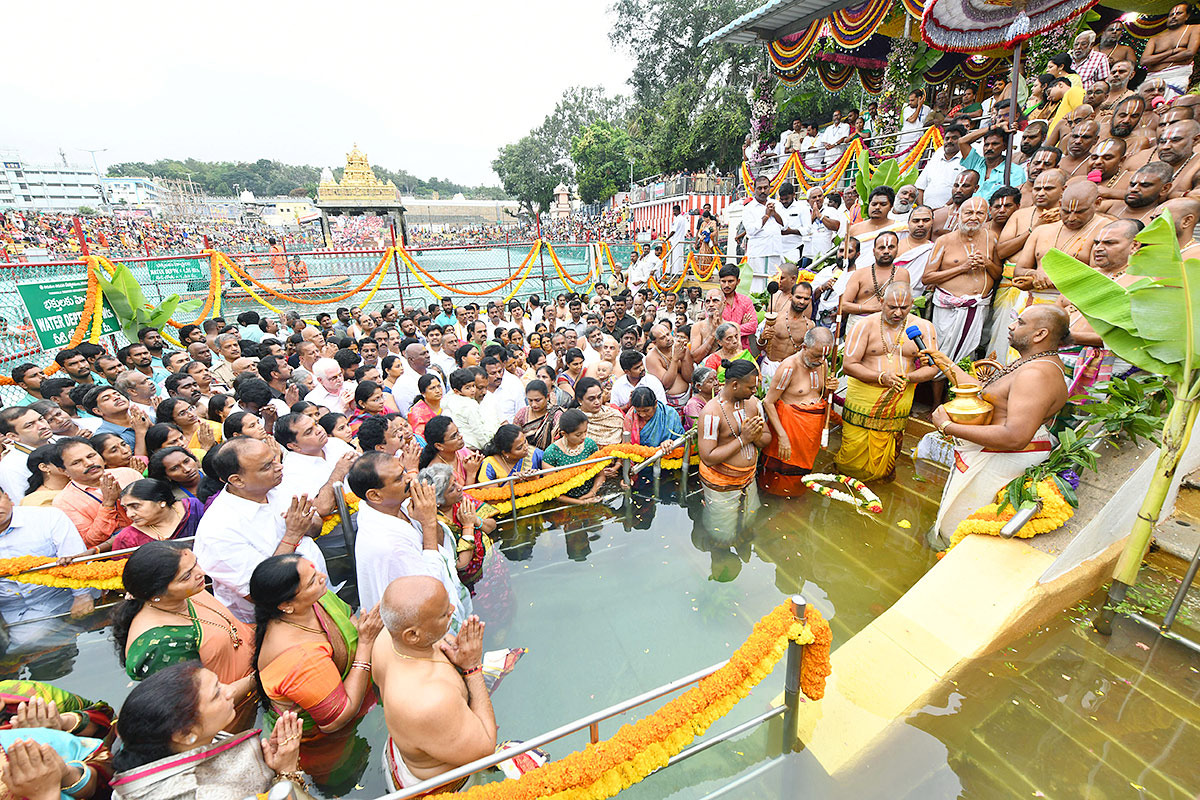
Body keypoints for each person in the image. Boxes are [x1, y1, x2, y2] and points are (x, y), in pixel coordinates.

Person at [926, 306, 1071, 540]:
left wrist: (947, 427)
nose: (1011, 326)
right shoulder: (1033, 363)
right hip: (994, 455)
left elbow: (1015, 436)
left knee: (961, 531)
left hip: (1002, 460)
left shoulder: (1036, 374)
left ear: (1040, 334)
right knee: (954, 524)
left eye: (1020, 322)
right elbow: (986, 393)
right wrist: (944, 362)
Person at [372, 577, 497, 793]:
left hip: (404, 754)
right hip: (441, 787)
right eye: (443, 614)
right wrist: (472, 667)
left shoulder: (386, 638)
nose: (452, 609)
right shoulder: (431, 700)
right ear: (412, 635)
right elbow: (486, 751)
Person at [110, 664, 306, 799]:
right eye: (216, 694)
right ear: (185, 734)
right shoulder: (205, 794)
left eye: (219, 683)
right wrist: (287, 773)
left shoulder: (148, 746)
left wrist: (267, 764)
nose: (229, 691)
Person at [113, 542, 255, 720]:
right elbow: (195, 707)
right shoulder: (161, 645)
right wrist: (261, 676)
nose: (201, 573)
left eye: (196, 563)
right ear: (156, 594)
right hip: (232, 717)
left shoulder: (192, 592)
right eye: (186, 576)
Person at [194, 438, 327, 623]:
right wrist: (292, 535)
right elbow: (263, 593)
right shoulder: (218, 529)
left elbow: (316, 528)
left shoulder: (278, 488)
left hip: (321, 597)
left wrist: (306, 524)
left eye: (274, 459)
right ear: (237, 480)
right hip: (276, 620)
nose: (278, 467)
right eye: (266, 466)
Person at [250, 554, 381, 738]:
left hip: (362, 699)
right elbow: (336, 720)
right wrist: (365, 645)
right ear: (286, 605)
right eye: (312, 581)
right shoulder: (298, 659)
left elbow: (348, 616)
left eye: (315, 573)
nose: (323, 577)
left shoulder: (317, 599)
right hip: (321, 744)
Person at [349, 453, 472, 626]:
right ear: (375, 496)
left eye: (404, 471)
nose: (409, 478)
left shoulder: (400, 506)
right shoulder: (386, 544)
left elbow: (441, 547)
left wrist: (428, 519)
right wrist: (428, 523)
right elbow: (427, 589)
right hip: (421, 628)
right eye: (399, 478)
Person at [836, 282, 939, 481]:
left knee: (888, 453)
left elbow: (933, 368)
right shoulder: (864, 326)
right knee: (853, 451)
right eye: (892, 307)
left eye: (904, 307)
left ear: (912, 304)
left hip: (898, 399)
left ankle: (880, 488)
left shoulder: (923, 328)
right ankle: (845, 483)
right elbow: (849, 365)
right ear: (881, 302)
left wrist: (907, 377)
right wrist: (881, 378)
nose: (898, 313)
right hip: (864, 398)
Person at [0, 492, 95, 647]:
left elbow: (76, 559)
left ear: (7, 497)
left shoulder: (47, 518)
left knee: (27, 640)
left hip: (55, 596)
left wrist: (82, 596)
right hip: (9, 607)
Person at [924, 196, 1002, 366]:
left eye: (980, 213)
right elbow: (927, 278)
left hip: (977, 306)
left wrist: (987, 263)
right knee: (940, 356)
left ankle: (961, 392)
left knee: (967, 358)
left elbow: (997, 275)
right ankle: (940, 394)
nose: (974, 217)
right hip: (948, 309)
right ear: (959, 214)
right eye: (969, 212)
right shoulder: (944, 241)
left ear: (987, 216)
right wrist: (962, 268)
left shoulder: (992, 238)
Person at [761, 327, 833, 496]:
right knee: (780, 477)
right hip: (789, 430)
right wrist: (782, 435)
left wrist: (830, 389)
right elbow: (768, 402)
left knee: (804, 472)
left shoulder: (822, 364)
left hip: (810, 431)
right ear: (804, 347)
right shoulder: (788, 368)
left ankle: (798, 495)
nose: (820, 360)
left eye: (824, 356)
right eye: (816, 355)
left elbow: (822, 394)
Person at [51, 437, 142, 548]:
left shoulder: (127, 474)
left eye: (91, 456)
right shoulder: (64, 502)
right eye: (76, 462)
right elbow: (90, 542)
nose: (89, 463)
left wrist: (124, 499)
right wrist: (108, 505)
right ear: (63, 471)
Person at [840, 232, 911, 332]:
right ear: (874, 251)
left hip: (891, 325)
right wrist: (873, 308)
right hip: (860, 323)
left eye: (891, 247)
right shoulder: (859, 274)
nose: (886, 251)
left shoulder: (903, 274)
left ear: (897, 249)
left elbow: (904, 304)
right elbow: (843, 305)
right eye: (881, 248)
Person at [541, 409, 608, 504]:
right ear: (564, 434)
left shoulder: (590, 445)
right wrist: (580, 502)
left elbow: (600, 475)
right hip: (563, 503)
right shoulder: (551, 453)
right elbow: (553, 491)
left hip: (592, 496)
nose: (584, 437)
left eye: (585, 432)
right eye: (578, 434)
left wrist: (592, 492)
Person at [1142, 3, 1200, 100]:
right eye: (1171, 15)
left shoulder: (1194, 28)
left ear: (1187, 16)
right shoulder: (1155, 38)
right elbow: (1144, 61)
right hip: (1151, 79)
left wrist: (1156, 59)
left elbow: (1190, 53)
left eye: (1179, 13)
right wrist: (1173, 51)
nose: (1174, 16)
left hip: (1176, 77)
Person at [0, 407, 54, 502]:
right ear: (13, 436)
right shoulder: (10, 467)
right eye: (29, 425)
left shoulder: (64, 441)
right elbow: (23, 503)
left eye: (41, 419)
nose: (42, 426)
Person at [512, 379, 562, 452]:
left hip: (548, 457)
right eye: (530, 400)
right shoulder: (522, 413)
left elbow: (559, 442)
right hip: (525, 456)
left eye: (537, 400)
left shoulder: (555, 415)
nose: (534, 404)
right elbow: (515, 437)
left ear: (547, 397)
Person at [478, 424, 543, 481]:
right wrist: (512, 481)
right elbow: (488, 493)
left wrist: (536, 478)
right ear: (505, 453)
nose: (526, 447)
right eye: (519, 448)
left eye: (525, 441)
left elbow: (550, 476)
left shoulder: (535, 454)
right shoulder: (490, 464)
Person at [575, 377, 623, 446]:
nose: (597, 402)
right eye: (591, 399)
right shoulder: (573, 419)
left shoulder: (614, 416)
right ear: (580, 400)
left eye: (599, 397)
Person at [407, 374, 444, 439]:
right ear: (423, 393)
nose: (438, 391)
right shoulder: (417, 413)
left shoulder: (447, 403)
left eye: (439, 386)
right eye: (432, 388)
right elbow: (420, 438)